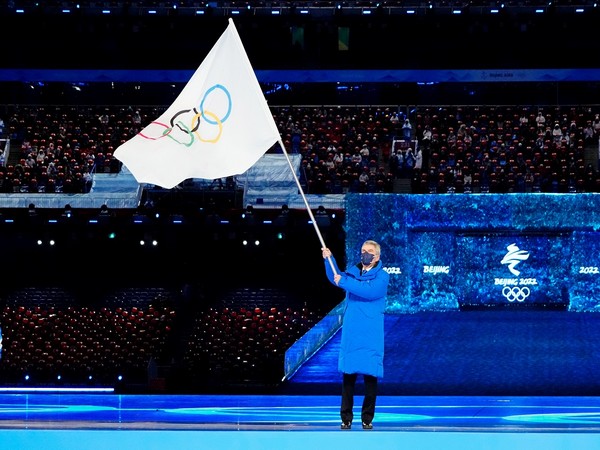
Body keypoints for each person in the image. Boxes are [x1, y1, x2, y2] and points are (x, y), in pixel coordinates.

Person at [321, 240, 390, 430]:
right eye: (362, 251)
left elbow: (368, 291)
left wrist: (344, 281)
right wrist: (329, 260)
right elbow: (335, 277)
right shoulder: (352, 273)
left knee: (370, 377)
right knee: (348, 376)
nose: (364, 254)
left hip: (370, 332)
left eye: (368, 252)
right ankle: (346, 417)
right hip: (352, 330)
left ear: (376, 257)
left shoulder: (382, 277)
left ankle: (367, 418)